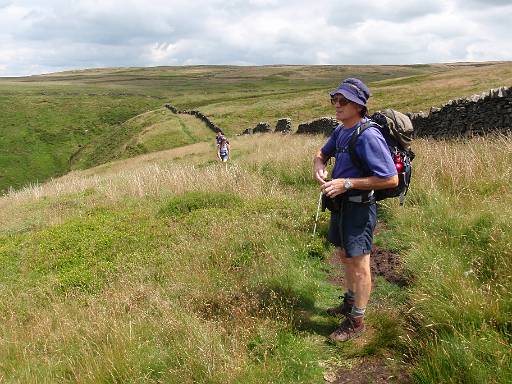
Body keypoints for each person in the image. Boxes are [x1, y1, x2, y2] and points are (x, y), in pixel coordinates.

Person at [312, 78, 399, 342]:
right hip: (340, 207)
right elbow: (321, 153)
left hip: (359, 210)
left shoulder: (369, 136)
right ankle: (349, 302)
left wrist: (347, 183)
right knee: (345, 256)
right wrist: (319, 165)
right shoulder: (341, 130)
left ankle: (357, 321)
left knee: (360, 265)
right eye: (334, 100)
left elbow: (390, 178)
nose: (337, 105)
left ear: (359, 105)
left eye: (343, 101)